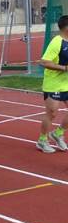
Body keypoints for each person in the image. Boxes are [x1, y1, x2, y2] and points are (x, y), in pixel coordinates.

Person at [36, 15, 68, 153]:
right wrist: (64, 68)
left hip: (66, 84)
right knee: (52, 114)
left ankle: (58, 133)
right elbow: (43, 62)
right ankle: (42, 140)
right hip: (53, 84)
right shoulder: (57, 42)